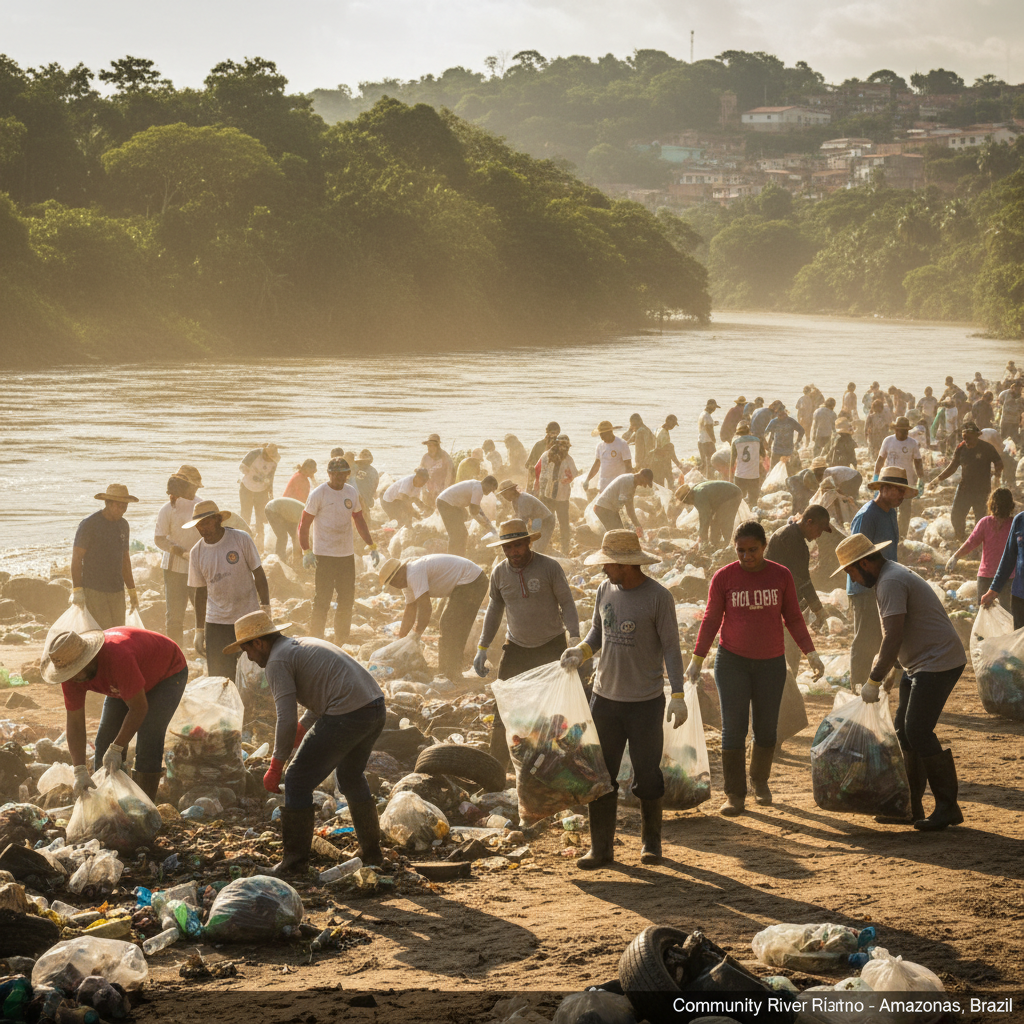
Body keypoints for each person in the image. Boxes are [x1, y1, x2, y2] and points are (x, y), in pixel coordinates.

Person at [560, 530, 685, 868]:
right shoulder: (605, 589)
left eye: (608, 564)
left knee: (647, 774)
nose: (603, 570)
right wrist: (581, 651)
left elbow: (672, 649)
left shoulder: (658, 597)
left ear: (626, 565)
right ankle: (601, 849)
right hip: (605, 700)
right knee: (601, 776)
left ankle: (651, 843)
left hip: (645, 702)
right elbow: (598, 634)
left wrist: (678, 693)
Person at [229, 610, 386, 875]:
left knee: (297, 780)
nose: (250, 658)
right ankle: (371, 854)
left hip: (348, 714)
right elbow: (323, 693)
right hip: (375, 707)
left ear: (259, 642)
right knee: (350, 775)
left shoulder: (277, 661)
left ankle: (294, 864)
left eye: (248, 650)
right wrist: (304, 727)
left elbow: (285, 718)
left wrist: (276, 766)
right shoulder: (299, 645)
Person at [688, 520, 824, 816]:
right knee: (733, 729)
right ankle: (734, 794)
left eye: (753, 550)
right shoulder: (724, 577)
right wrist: (697, 660)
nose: (747, 556)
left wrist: (810, 652)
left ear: (764, 547)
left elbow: (794, 618)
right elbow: (711, 620)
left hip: (771, 663)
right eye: (741, 551)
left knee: (766, 729)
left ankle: (759, 781)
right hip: (732, 661)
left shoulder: (780, 575)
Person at [835, 534, 967, 830]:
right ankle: (911, 806)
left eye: (851, 572)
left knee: (917, 730)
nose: (853, 580)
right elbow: (901, 631)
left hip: (937, 661)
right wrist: (895, 668)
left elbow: (892, 636)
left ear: (865, 563)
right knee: (903, 732)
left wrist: (873, 679)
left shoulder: (890, 582)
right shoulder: (890, 575)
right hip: (920, 662)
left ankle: (948, 806)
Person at [473, 519, 581, 765]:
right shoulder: (500, 572)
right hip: (516, 647)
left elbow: (567, 602)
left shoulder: (549, 567)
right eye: (508, 548)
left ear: (529, 543)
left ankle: (561, 764)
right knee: (503, 708)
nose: (514, 553)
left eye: (518, 546)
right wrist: (482, 647)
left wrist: (573, 638)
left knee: (559, 708)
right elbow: (494, 609)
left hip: (552, 645)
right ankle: (496, 769)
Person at [42, 625, 187, 803]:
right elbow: (75, 723)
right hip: (126, 680)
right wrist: (79, 769)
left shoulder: (117, 658)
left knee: (149, 737)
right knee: (104, 742)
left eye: (75, 673)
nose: (72, 679)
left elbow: (139, 708)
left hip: (166, 672)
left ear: (87, 660)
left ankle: (144, 806)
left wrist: (117, 748)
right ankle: (108, 805)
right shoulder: (70, 673)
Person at [846, 466, 914, 693]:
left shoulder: (890, 512)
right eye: (898, 490)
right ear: (883, 489)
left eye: (903, 491)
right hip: (865, 587)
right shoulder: (867, 516)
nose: (902, 495)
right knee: (865, 640)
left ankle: (875, 685)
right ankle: (858, 689)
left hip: (886, 585)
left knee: (883, 638)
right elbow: (853, 556)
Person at [300, 457, 380, 645]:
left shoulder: (351, 492)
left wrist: (371, 544)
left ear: (347, 475)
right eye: (336, 475)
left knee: (346, 598)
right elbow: (304, 525)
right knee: (322, 599)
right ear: (329, 474)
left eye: (343, 475)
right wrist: (306, 550)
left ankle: (340, 639)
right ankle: (316, 639)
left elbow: (359, 520)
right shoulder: (319, 493)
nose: (340, 479)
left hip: (345, 554)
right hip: (324, 554)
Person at [186, 499, 269, 680]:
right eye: (199, 525)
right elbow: (200, 592)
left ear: (217, 519)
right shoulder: (197, 552)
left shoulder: (240, 539)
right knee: (219, 675)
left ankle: (252, 705)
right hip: (216, 621)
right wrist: (199, 630)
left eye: (206, 523)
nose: (203, 529)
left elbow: (259, 573)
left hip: (247, 615)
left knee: (253, 671)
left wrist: (266, 607)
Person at [379, 553, 489, 680]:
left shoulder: (413, 573)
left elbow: (425, 608)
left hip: (473, 580)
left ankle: (450, 673)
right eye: (392, 584)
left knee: (450, 624)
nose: (395, 586)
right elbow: (410, 609)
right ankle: (448, 671)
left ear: (400, 571)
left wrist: (416, 634)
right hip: (465, 582)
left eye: (394, 581)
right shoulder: (406, 582)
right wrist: (401, 640)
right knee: (450, 623)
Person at [765, 505, 832, 690]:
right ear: (809, 522)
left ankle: (785, 688)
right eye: (818, 529)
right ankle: (785, 690)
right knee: (788, 648)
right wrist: (818, 608)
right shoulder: (791, 539)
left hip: (781, 600)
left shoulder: (793, 536)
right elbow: (802, 580)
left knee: (788, 648)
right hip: (778, 603)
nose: (818, 535)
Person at [71, 483, 139, 630]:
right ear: (107, 503)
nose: (122, 510)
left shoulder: (123, 525)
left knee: (119, 631)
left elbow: (125, 559)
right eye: (118, 505)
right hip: (94, 589)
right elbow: (77, 558)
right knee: (102, 633)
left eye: (125, 506)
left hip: (117, 588)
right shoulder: (89, 524)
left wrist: (132, 590)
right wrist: (77, 590)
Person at [929, 422, 1003, 543]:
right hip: (965, 487)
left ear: (976, 436)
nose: (967, 441)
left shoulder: (987, 448)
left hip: (982, 489)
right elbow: (952, 467)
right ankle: (961, 538)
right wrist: (937, 480)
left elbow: (999, 463)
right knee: (956, 515)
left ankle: (979, 542)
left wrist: (997, 478)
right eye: (964, 438)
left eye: (969, 438)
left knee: (981, 518)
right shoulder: (961, 448)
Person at [154, 468, 201, 646]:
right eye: (193, 487)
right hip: (174, 569)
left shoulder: (200, 505)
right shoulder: (166, 510)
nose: (196, 491)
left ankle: (203, 647)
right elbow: (159, 539)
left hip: (197, 567)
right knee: (174, 616)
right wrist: (179, 551)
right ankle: (176, 651)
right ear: (183, 487)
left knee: (202, 611)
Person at [948, 488, 1014, 612]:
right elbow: (971, 543)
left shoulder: (986, 523)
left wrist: (956, 557)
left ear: (991, 504)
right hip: (1006, 577)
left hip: (992, 576)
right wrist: (955, 557)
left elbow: (970, 543)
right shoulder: (1011, 524)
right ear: (1011, 505)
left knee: (986, 612)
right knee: (1007, 614)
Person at [875, 416, 925, 538]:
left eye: (906, 430)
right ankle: (888, 534)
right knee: (888, 508)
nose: (904, 433)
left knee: (905, 510)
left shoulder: (912, 443)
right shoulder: (888, 441)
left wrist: (921, 479)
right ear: (895, 430)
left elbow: (918, 462)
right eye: (901, 430)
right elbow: (880, 460)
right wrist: (876, 477)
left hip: (906, 482)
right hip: (889, 480)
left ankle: (901, 536)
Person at [981, 501, 1024, 628]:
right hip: (1020, 596)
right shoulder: (1020, 521)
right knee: (1020, 642)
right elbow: (1008, 558)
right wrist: (993, 590)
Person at [535, 434, 577, 552]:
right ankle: (556, 547)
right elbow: (538, 471)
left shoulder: (547, 455)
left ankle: (556, 546)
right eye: (563, 446)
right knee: (555, 521)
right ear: (558, 445)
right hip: (553, 495)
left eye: (566, 446)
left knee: (555, 521)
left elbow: (537, 471)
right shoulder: (564, 458)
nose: (565, 449)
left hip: (553, 495)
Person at [435, 476, 498, 556]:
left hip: (449, 503)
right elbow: (474, 512)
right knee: (458, 534)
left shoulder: (477, 486)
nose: (490, 492)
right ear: (487, 484)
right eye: (491, 489)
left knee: (461, 533)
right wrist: (486, 525)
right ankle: (455, 557)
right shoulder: (478, 489)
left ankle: (458, 556)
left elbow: (477, 509)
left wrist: (488, 523)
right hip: (446, 503)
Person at [675, 480, 743, 550]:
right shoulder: (697, 492)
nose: (687, 503)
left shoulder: (698, 495)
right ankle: (715, 543)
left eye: (685, 500)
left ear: (687, 496)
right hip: (725, 496)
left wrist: (702, 537)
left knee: (724, 520)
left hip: (732, 495)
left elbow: (705, 517)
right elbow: (707, 516)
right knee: (715, 521)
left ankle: (729, 546)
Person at [496, 479, 558, 552]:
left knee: (537, 548)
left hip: (546, 520)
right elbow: (517, 518)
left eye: (505, 494)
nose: (504, 497)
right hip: (537, 521)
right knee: (534, 544)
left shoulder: (523, 499)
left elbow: (521, 522)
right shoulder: (515, 501)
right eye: (503, 495)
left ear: (512, 490)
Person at [238, 443, 281, 549]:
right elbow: (241, 467)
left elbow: (271, 477)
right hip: (246, 487)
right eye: (268, 456)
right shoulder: (254, 454)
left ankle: (260, 543)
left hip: (262, 490)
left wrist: (270, 493)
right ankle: (242, 539)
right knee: (245, 514)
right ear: (264, 452)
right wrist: (246, 471)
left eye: (272, 457)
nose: (269, 459)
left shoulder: (274, 462)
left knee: (260, 516)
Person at [593, 469, 654, 536]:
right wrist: (626, 522)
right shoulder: (627, 481)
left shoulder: (632, 485)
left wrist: (638, 525)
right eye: (645, 482)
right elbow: (621, 503)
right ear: (642, 476)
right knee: (619, 534)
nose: (644, 486)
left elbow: (630, 510)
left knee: (621, 533)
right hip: (603, 508)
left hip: (609, 509)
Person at [585, 420, 632, 494]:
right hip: (603, 483)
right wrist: (587, 480)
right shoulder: (600, 446)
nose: (601, 438)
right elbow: (597, 465)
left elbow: (628, 466)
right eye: (600, 435)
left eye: (603, 435)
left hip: (618, 483)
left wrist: (627, 483)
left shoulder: (622, 444)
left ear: (610, 432)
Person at [264, 496, 305, 565]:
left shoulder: (306, 513)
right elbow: (298, 536)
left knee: (293, 536)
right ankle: (279, 561)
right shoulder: (305, 515)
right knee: (282, 537)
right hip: (272, 509)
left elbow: (296, 537)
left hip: (284, 512)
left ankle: (294, 558)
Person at [419, 433, 455, 508]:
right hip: (429, 487)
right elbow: (421, 469)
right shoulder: (426, 457)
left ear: (437, 446)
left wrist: (446, 489)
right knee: (428, 508)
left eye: (430, 445)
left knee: (439, 507)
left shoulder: (445, 457)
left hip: (442, 487)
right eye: (428, 446)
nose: (428, 448)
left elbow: (450, 473)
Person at [730, 420, 762, 505]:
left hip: (740, 475)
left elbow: (732, 461)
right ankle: (753, 514)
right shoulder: (757, 441)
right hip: (754, 475)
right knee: (753, 499)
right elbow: (763, 454)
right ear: (749, 431)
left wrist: (731, 476)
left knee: (740, 499)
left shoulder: (736, 442)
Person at [525, 422, 561, 492]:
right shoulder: (539, 445)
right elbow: (530, 465)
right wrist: (529, 487)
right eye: (552, 433)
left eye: (556, 433)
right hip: (539, 475)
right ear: (548, 432)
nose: (554, 436)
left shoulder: (559, 446)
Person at [650, 415, 683, 487]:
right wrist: (677, 463)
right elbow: (668, 450)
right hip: (662, 461)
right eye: (673, 424)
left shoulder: (659, 429)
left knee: (659, 482)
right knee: (669, 480)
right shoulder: (664, 434)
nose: (673, 426)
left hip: (655, 460)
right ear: (668, 422)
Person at [697, 399, 719, 475]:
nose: (714, 409)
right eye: (714, 407)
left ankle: (700, 475)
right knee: (712, 461)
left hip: (700, 440)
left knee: (704, 462)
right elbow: (708, 428)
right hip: (707, 442)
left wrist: (713, 424)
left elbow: (706, 426)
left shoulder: (702, 414)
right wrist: (713, 439)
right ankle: (710, 477)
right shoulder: (707, 416)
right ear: (710, 406)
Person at [997, 379, 1022, 448]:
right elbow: (1000, 402)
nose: (1019, 389)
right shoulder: (1004, 394)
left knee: (1014, 438)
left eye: (1020, 388)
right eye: (1017, 387)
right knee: (1003, 437)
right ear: (1012, 387)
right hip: (1005, 420)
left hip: (1015, 421)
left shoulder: (1021, 397)